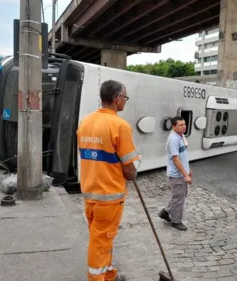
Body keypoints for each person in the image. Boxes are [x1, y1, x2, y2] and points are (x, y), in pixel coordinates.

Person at [76, 79, 140, 281]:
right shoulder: (120, 125)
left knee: (102, 238)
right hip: (109, 197)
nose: (125, 101)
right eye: (125, 97)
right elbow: (129, 168)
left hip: (90, 193)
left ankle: (109, 273)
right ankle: (97, 278)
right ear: (116, 98)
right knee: (101, 242)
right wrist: (133, 172)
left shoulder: (86, 121)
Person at [158, 116, 192, 231]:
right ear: (173, 126)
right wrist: (185, 175)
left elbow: (183, 156)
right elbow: (176, 160)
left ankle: (166, 212)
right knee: (179, 197)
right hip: (177, 175)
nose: (184, 127)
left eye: (185, 124)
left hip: (181, 173)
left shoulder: (180, 136)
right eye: (181, 125)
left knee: (179, 195)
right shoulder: (173, 139)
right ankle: (176, 221)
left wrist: (188, 170)